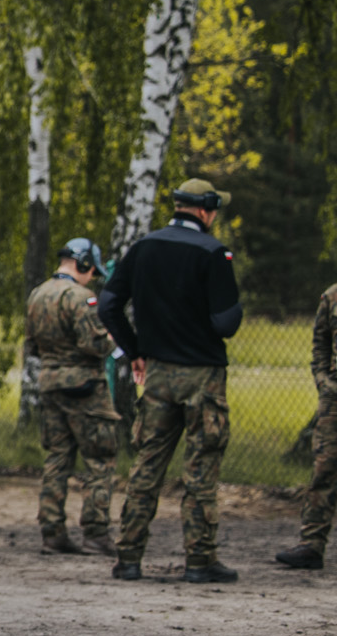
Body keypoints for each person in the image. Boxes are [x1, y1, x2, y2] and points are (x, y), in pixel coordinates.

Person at [97, 179, 243, 583]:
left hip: (158, 374)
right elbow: (225, 323)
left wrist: (135, 350)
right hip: (202, 377)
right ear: (206, 209)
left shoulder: (143, 247)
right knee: (201, 471)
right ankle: (200, 560)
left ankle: (128, 557)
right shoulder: (214, 253)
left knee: (146, 467)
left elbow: (109, 305)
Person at [26, 237, 119, 558]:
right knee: (99, 459)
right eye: (91, 270)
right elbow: (95, 345)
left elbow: (32, 346)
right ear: (82, 264)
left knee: (57, 458)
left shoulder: (37, 294)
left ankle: (52, 532)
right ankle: (95, 532)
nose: (91, 276)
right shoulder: (81, 298)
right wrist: (112, 337)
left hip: (50, 384)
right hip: (85, 387)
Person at [275, 282, 337, 570]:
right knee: (324, 469)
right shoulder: (332, 296)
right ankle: (311, 545)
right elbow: (320, 342)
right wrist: (323, 381)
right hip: (334, 400)